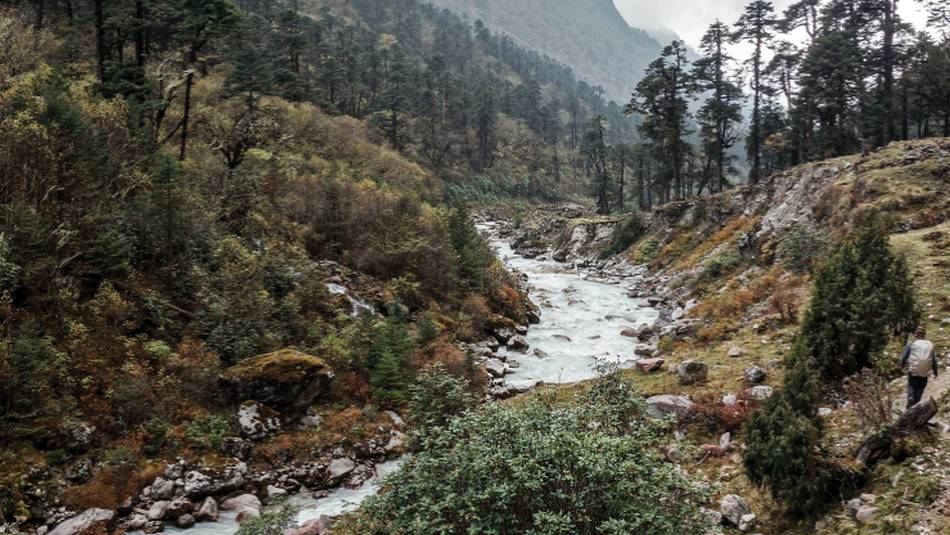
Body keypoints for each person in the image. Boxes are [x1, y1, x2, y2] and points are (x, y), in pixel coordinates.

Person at [901, 326, 938, 409]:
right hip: (924, 372)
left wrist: (902, 365)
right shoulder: (929, 345)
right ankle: (916, 404)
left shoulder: (911, 343)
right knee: (920, 388)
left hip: (913, 371)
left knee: (911, 385)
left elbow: (904, 357)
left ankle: (910, 398)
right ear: (924, 335)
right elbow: (933, 360)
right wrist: (935, 372)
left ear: (915, 334)